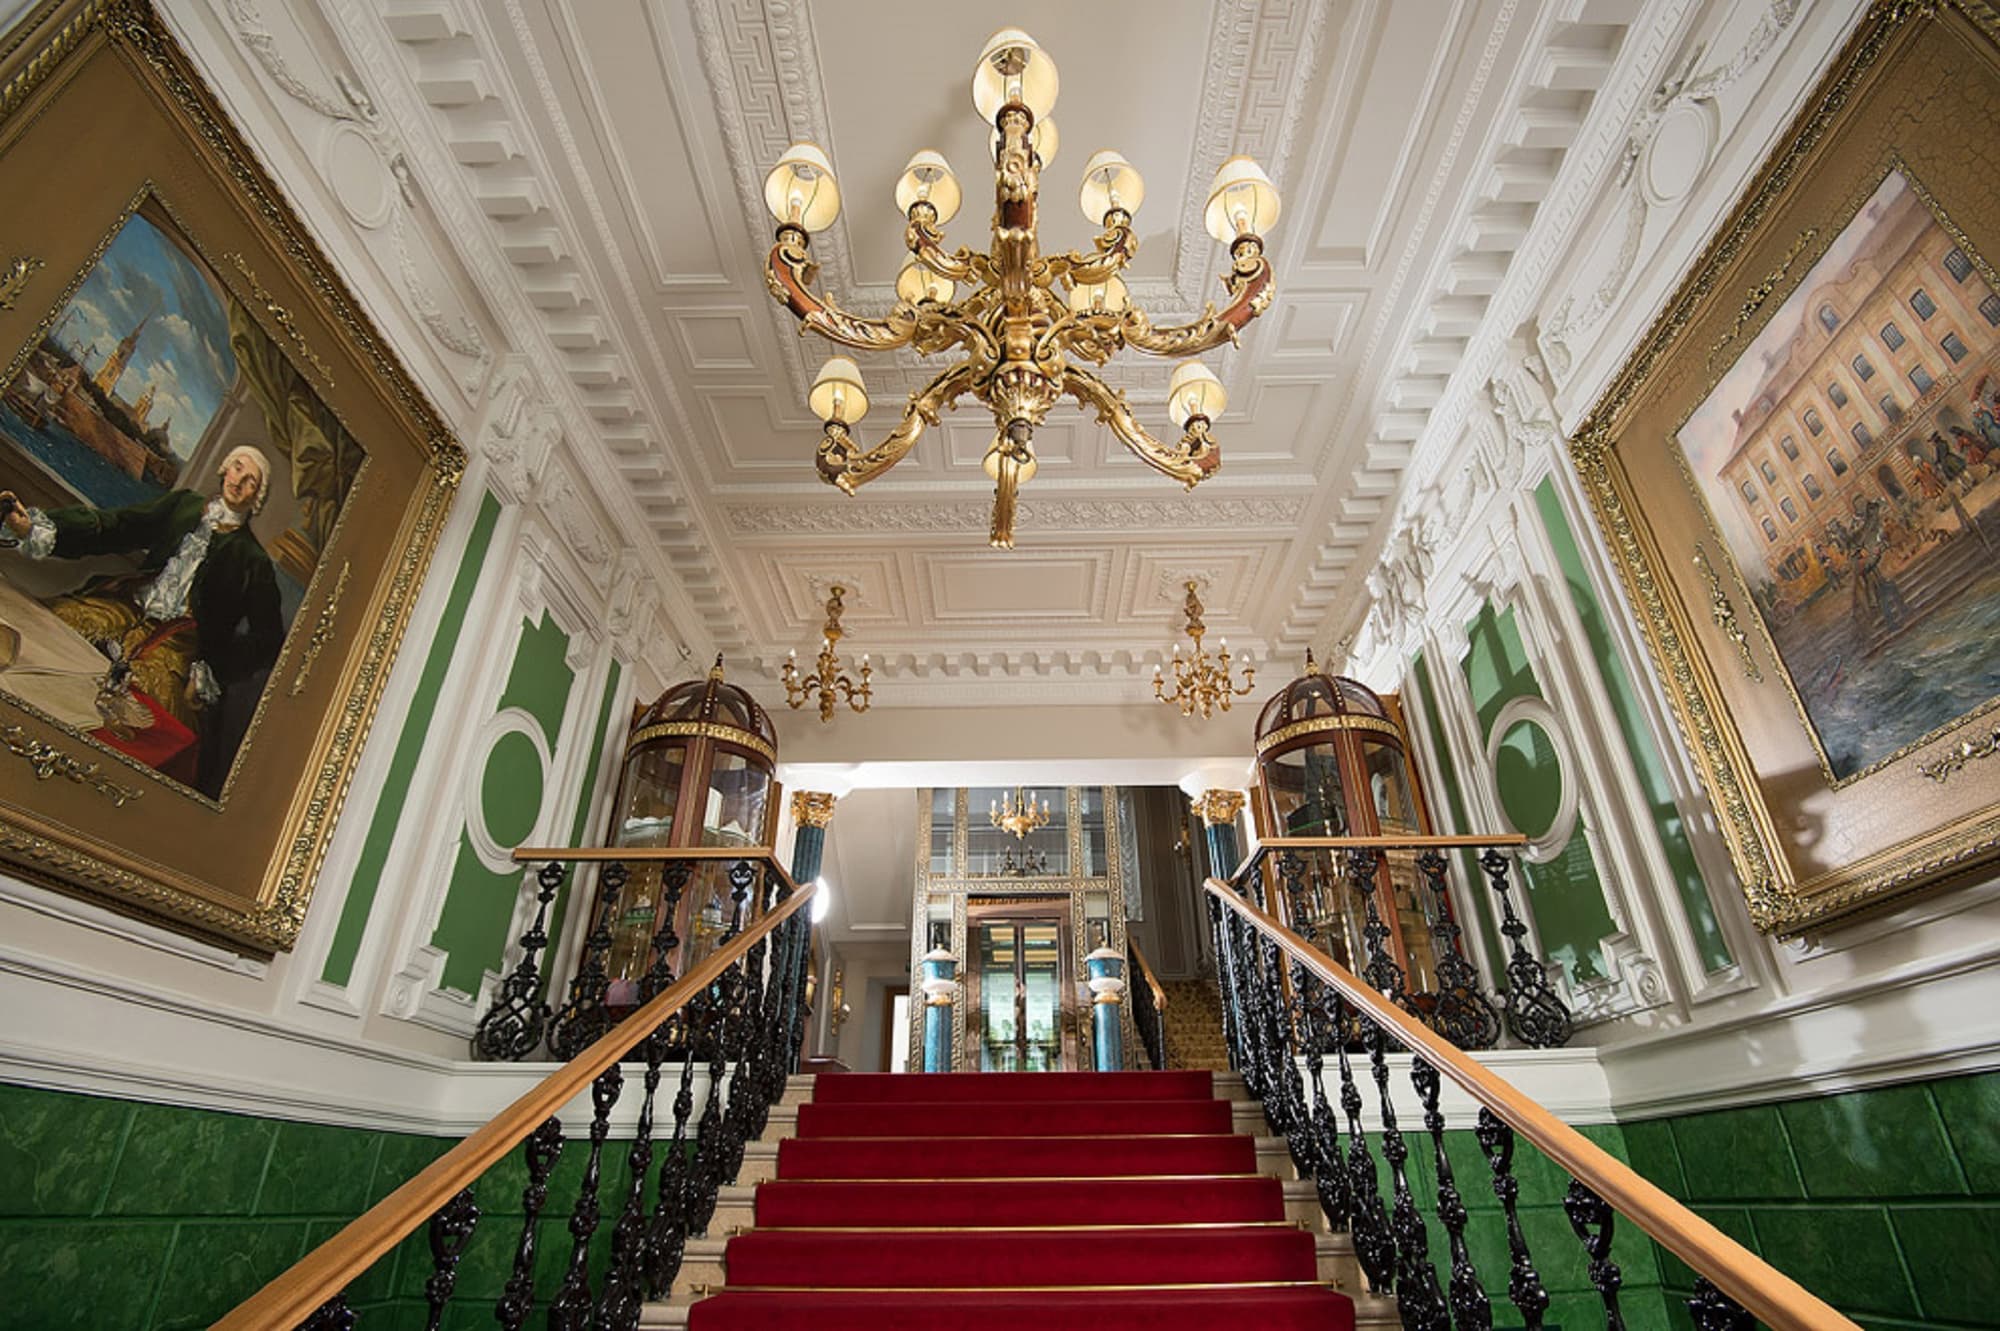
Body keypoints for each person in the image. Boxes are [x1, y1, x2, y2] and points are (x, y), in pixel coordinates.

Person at [0, 445, 284, 793]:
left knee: (151, 716)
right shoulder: (183, 506)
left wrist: (211, 670)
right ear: (225, 468)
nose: (239, 481)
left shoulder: (253, 560)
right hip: (130, 606)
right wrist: (35, 528)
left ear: (257, 496)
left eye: (251, 480)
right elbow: (117, 526)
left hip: (182, 644)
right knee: (58, 624)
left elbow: (267, 641)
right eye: (238, 468)